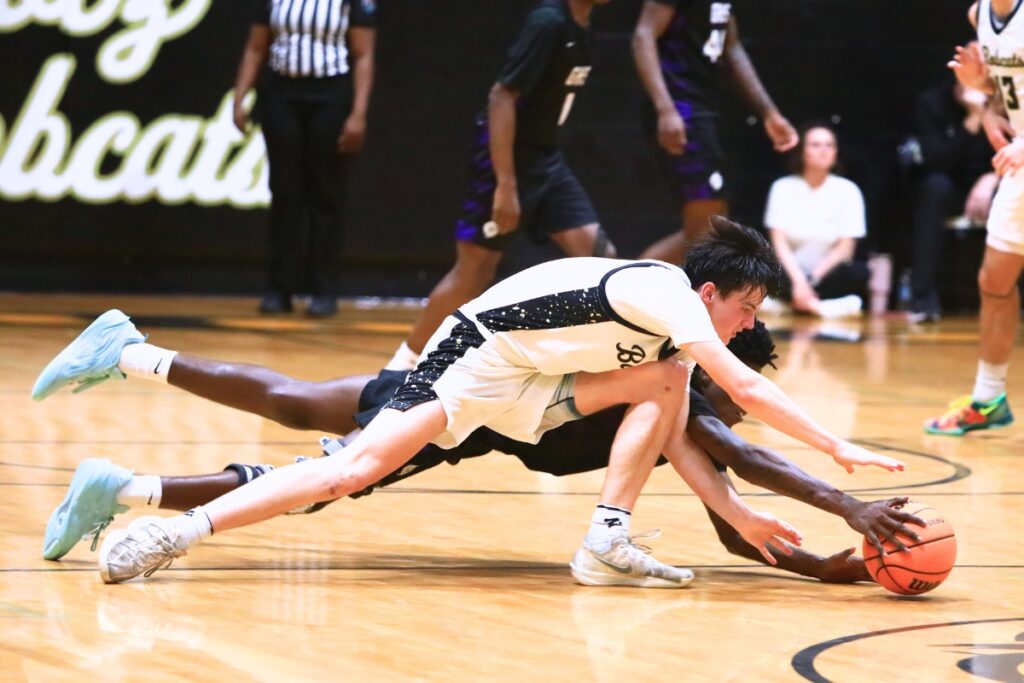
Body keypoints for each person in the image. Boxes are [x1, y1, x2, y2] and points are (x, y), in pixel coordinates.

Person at [32, 217, 903, 586]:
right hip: (476, 361)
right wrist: (841, 459)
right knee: (346, 461)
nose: (751, 320)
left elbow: (693, 443)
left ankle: (605, 539)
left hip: (534, 395)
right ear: (714, 296)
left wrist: (755, 525)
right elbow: (740, 404)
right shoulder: (673, 297)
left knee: (667, 384)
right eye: (748, 307)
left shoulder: (676, 360)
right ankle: (166, 518)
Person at [40, 322, 924, 584]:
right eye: (728, 388)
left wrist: (822, 570)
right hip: (475, 406)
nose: (723, 408)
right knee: (316, 477)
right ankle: (130, 476)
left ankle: (129, 412)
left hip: (483, 408)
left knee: (297, 415)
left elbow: (735, 525)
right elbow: (755, 465)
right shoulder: (683, 386)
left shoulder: (671, 413)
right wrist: (847, 504)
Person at [386, 0, 616, 371]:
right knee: (474, 270)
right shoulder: (548, 22)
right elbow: (501, 96)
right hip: (506, 160)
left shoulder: (583, 25)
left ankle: (590, 364)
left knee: (599, 258)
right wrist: (505, 185)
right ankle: (403, 365)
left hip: (547, 160)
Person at [233, 0, 376, 317]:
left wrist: (359, 113)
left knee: (326, 194)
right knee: (285, 193)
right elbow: (256, 47)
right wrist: (240, 95)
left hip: (331, 94)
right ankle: (279, 289)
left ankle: (323, 291)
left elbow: (363, 54)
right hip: (281, 94)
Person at [631, 0, 798, 263]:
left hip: (704, 108)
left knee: (712, 224)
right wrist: (666, 109)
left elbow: (731, 46)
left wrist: (769, 113)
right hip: (681, 108)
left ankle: (630, 287)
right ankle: (628, 291)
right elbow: (643, 36)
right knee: (708, 217)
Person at [925, 0, 1022, 435]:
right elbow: (1007, 87)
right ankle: (988, 399)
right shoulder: (979, 14)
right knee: (994, 281)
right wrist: (986, 101)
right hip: (1018, 161)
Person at [910, 77, 997, 323]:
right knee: (933, 188)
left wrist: (992, 178)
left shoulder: (1005, 101)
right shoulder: (932, 102)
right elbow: (934, 161)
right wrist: (974, 118)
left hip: (994, 184)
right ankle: (923, 301)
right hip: (949, 186)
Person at [763, 123, 868, 319]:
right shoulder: (782, 187)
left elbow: (846, 247)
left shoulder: (848, 190)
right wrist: (799, 281)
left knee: (859, 272)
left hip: (825, 274)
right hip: (789, 272)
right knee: (760, 270)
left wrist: (812, 279)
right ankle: (817, 307)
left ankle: (790, 305)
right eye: (816, 145)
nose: (823, 151)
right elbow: (778, 242)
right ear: (802, 151)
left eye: (829, 145)